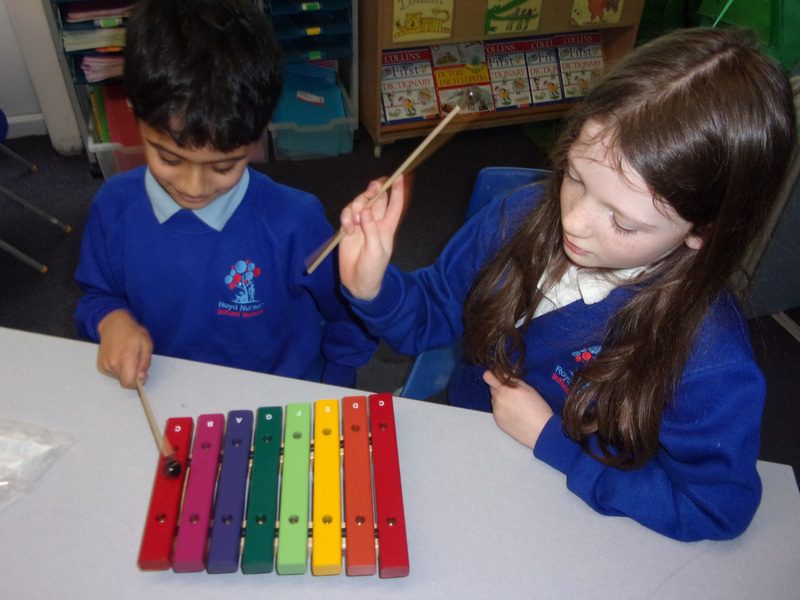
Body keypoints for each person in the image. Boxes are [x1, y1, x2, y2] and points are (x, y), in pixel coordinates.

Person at [337, 28, 796, 541]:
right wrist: (373, 286)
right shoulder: (516, 216)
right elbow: (430, 315)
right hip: (473, 446)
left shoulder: (709, 357)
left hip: (578, 511)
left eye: (622, 222)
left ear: (702, 233)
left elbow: (715, 509)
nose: (573, 221)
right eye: (574, 176)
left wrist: (549, 441)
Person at [75, 0, 376, 389]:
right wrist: (111, 319)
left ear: (258, 134)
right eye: (169, 157)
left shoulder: (294, 222)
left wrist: (337, 382)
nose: (192, 187)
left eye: (222, 167)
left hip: (281, 396)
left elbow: (351, 313)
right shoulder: (113, 207)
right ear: (134, 111)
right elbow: (96, 296)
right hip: (167, 390)